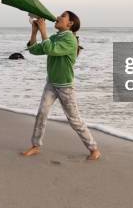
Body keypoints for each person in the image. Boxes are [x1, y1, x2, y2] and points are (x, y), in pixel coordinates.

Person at [21, 11, 101, 161]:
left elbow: (50, 49)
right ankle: (36, 145)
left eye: (63, 16)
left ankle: (93, 148)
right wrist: (34, 32)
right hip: (51, 83)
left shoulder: (71, 40)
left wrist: (43, 31)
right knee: (42, 113)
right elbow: (34, 50)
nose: (57, 17)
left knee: (74, 120)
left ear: (70, 24)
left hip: (65, 87)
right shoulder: (55, 37)